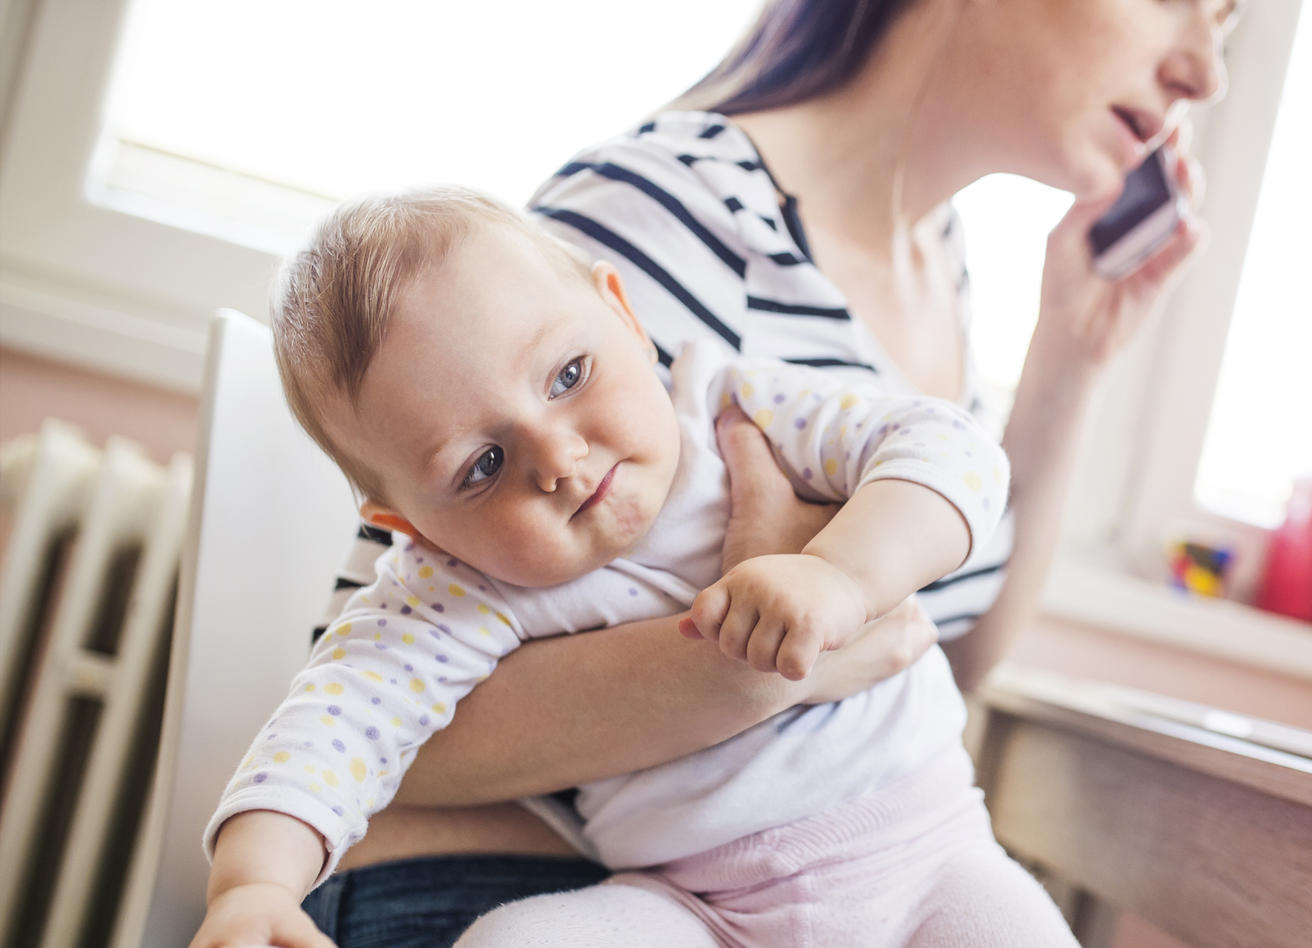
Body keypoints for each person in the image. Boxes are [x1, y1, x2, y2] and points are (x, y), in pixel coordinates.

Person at [287, 0, 1233, 943]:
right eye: (1177, 2)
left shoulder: (939, 269)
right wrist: (772, 658)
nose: (1204, 71)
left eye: (1224, 26)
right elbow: (390, 722)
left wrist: (1070, 360)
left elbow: (943, 643)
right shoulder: (674, 209)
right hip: (492, 879)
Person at [191, 187, 1074, 947]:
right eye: (482, 466)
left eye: (569, 374)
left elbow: (948, 449)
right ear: (407, 526)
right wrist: (254, 888)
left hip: (927, 855)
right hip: (696, 910)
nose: (560, 460)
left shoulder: (741, 408)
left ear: (624, 313)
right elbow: (334, 725)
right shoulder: (458, 586)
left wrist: (841, 575)